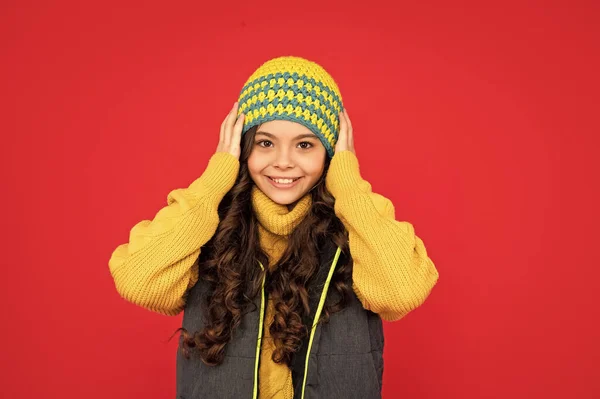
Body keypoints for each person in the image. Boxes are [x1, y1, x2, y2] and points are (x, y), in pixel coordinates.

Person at [108, 55, 439, 399]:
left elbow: (402, 292)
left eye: (305, 145)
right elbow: (139, 281)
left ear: (330, 152)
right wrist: (214, 178)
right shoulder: (206, 229)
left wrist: (350, 186)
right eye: (265, 143)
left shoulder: (358, 230)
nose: (283, 161)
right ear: (242, 147)